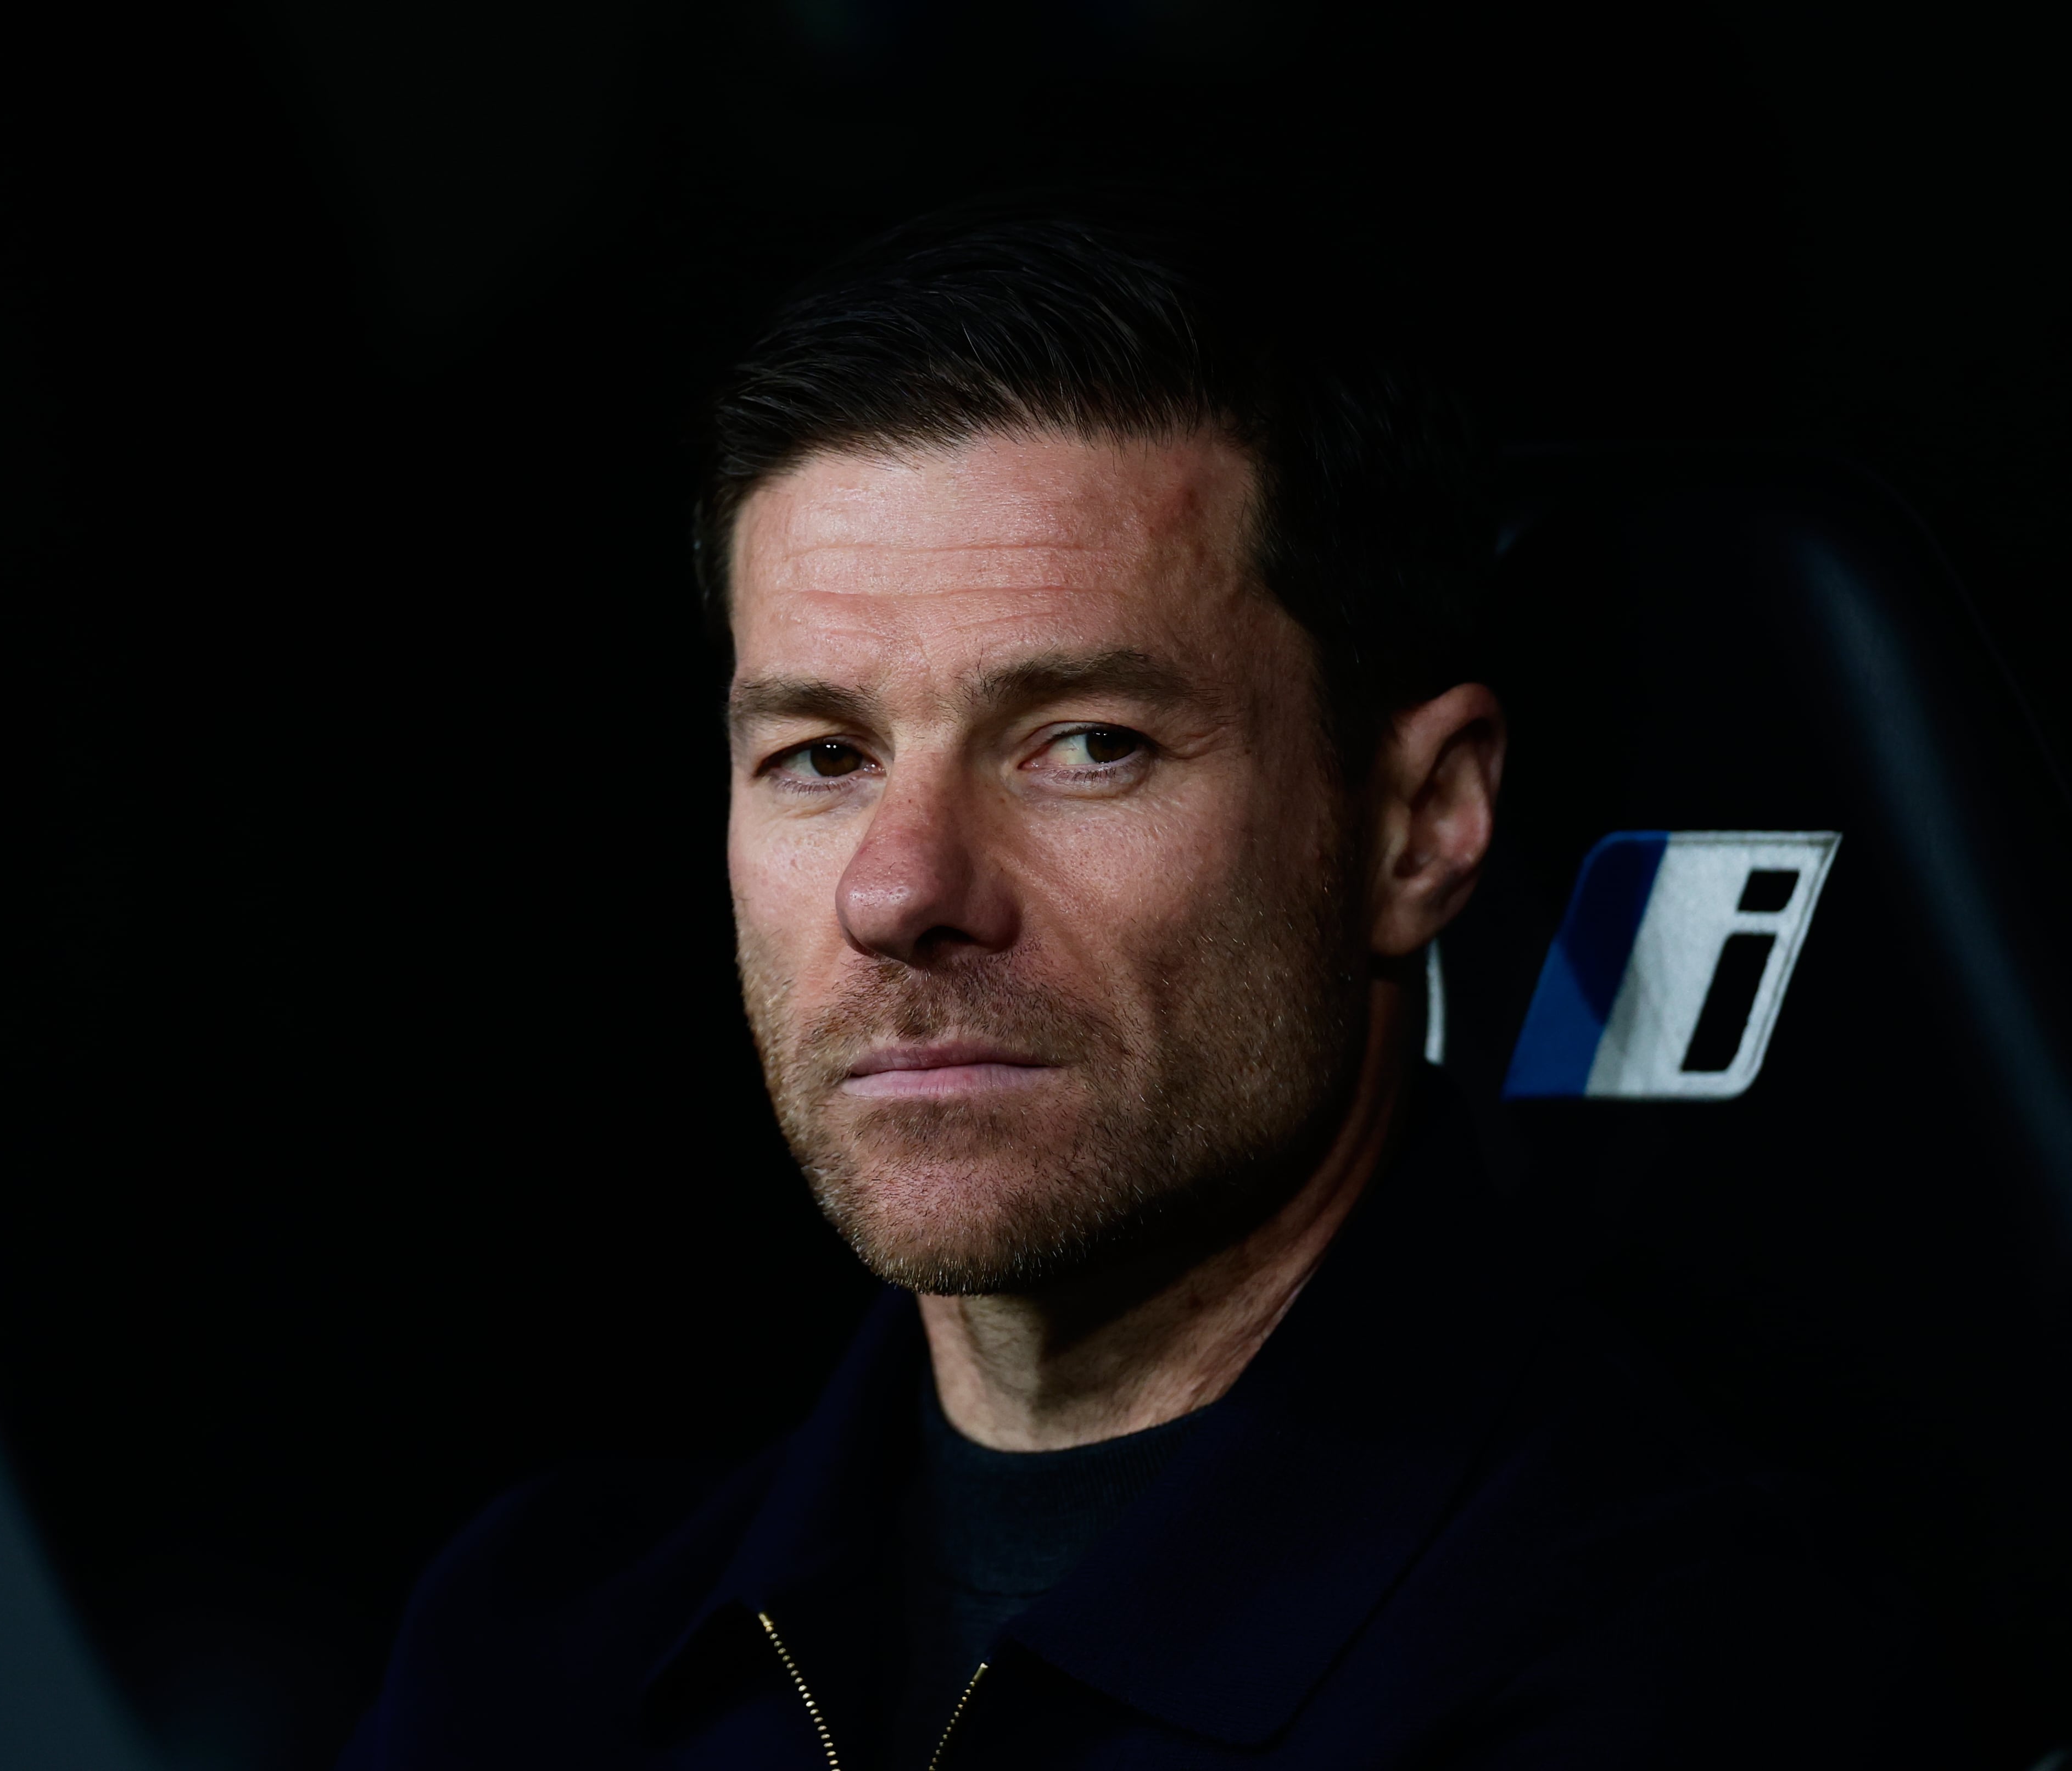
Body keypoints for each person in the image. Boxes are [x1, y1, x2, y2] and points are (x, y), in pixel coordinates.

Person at [340, 198, 1929, 1768]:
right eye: (822, 755)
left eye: (1087, 743)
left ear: (1418, 824)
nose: (899, 890)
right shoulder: (533, 1639)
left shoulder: (1683, 1668)